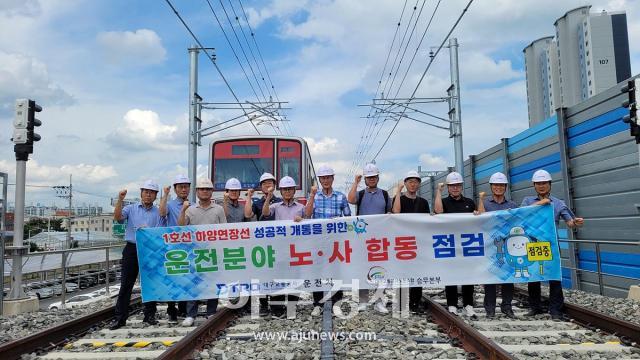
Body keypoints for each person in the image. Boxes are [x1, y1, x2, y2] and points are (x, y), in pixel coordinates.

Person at [521, 169, 584, 321]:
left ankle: (555, 310)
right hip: (533, 244)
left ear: (550, 185)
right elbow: (521, 214)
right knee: (534, 276)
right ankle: (535, 307)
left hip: (551, 245)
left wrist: (576, 223)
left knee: (555, 277)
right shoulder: (528, 201)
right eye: (538, 183)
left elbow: (570, 222)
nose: (541, 186)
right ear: (534, 185)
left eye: (544, 183)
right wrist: (540, 203)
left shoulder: (558, 203)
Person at [109, 180, 166, 330]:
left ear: (155, 196)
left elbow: (159, 231)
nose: (148, 195)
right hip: (132, 248)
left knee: (151, 283)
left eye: (152, 192)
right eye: (146, 191)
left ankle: (150, 315)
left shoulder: (158, 212)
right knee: (126, 284)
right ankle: (120, 318)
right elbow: (118, 217)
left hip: (150, 249)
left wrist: (147, 231)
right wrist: (120, 199)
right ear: (141, 193)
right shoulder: (131, 208)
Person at [178, 178, 227, 327]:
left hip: (213, 252)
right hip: (195, 253)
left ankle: (211, 311)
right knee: (193, 283)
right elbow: (181, 227)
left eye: (207, 189)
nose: (204, 191)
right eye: (201, 189)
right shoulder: (190, 209)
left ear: (211, 192)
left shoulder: (218, 209)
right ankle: (190, 314)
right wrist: (183, 210)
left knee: (212, 282)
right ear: (197, 192)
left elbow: (224, 230)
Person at [304, 165, 351, 316]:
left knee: (337, 270)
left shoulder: (340, 196)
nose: (325, 180)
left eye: (328, 177)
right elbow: (307, 214)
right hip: (318, 240)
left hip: (336, 241)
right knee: (317, 270)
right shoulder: (315, 196)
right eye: (322, 178)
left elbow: (349, 218)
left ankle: (337, 301)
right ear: (319, 180)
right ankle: (318, 303)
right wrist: (311, 196)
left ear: (332, 178)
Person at [347, 163, 391, 313]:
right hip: (363, 238)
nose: (371, 179)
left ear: (378, 178)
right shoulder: (361, 194)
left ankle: (379, 301)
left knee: (380, 270)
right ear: (365, 179)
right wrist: (355, 182)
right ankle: (363, 301)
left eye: (374, 177)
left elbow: (390, 214)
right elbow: (350, 199)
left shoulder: (384, 194)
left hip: (380, 239)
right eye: (369, 177)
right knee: (363, 269)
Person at [434, 171, 478, 319]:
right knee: (451, 274)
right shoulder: (444, 202)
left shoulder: (469, 203)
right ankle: (452, 304)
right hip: (450, 244)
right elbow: (438, 211)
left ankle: (468, 305)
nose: (455, 188)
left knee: (468, 276)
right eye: (452, 186)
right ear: (448, 187)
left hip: (466, 244)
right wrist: (439, 192)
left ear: (461, 186)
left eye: (458, 185)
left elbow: (478, 219)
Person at [261, 176, 304, 318]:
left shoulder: (300, 208)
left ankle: (291, 308)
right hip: (279, 248)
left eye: (290, 189)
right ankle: (277, 309)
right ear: (281, 191)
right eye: (284, 189)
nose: (287, 192)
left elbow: (309, 223)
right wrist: (268, 196)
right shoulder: (275, 207)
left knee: (294, 278)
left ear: (294, 191)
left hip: (295, 248)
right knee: (278, 278)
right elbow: (265, 213)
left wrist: (302, 220)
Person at [476, 172, 517, 319]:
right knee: (490, 278)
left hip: (508, 246)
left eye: (501, 185)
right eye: (495, 185)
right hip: (490, 246)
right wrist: (480, 200)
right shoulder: (485, 204)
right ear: (491, 187)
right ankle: (490, 308)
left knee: (508, 278)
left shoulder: (512, 205)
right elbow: (480, 219)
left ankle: (507, 306)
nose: (498, 188)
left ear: (505, 187)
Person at [244, 172, 282, 316]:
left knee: (277, 275)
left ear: (275, 185)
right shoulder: (257, 203)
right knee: (262, 276)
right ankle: (263, 305)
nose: (268, 185)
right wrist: (248, 196)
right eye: (264, 183)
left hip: (277, 243)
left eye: (270, 182)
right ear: (261, 187)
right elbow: (248, 214)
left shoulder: (279, 201)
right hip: (262, 245)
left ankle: (277, 305)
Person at [391, 170, 430, 313]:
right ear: (405, 183)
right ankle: (401, 302)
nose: (413, 184)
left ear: (419, 184)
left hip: (418, 242)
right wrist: (398, 193)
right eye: (410, 182)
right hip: (402, 242)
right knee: (401, 272)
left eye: (416, 182)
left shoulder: (423, 202)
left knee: (417, 273)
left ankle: (415, 302)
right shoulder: (400, 199)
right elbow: (396, 212)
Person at [159, 174, 191, 323]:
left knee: (186, 278)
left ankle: (183, 309)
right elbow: (162, 213)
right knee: (173, 279)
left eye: (186, 186)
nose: (184, 189)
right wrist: (165, 194)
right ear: (175, 189)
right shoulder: (170, 205)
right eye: (181, 187)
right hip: (172, 246)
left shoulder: (193, 204)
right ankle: (171, 310)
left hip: (189, 246)